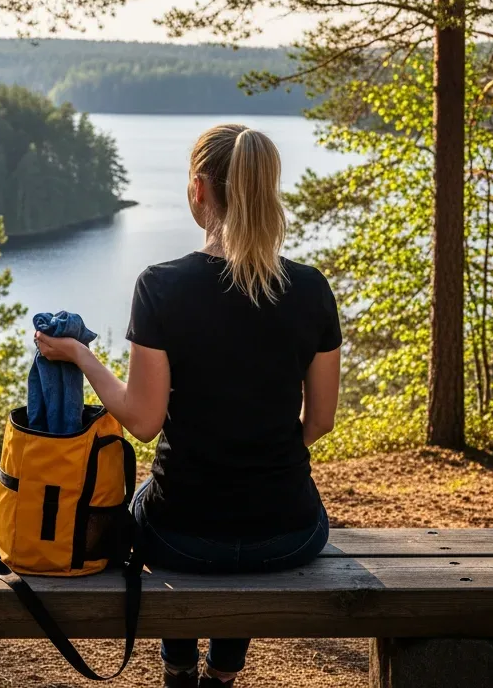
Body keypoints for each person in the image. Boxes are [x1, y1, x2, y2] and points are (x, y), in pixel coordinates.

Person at [34, 123, 342, 688]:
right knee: (233, 518)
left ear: (199, 189)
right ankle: (222, 674)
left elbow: (145, 423)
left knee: (159, 505)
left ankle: (177, 667)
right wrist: (264, 453)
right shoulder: (311, 288)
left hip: (183, 537)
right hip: (290, 531)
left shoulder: (162, 286)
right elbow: (320, 420)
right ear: (266, 188)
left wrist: (80, 354)